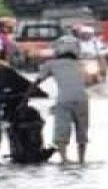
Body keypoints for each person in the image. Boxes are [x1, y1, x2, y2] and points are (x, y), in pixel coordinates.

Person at [32, 36, 92, 164]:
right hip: (82, 99)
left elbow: (38, 81)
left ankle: (64, 159)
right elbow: (89, 81)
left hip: (64, 99)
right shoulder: (81, 64)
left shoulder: (51, 64)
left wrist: (25, 96)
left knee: (61, 130)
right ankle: (82, 160)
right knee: (82, 131)